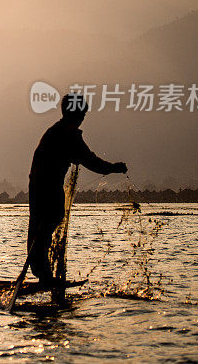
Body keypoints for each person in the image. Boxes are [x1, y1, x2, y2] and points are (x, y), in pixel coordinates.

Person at [27, 93, 127, 285]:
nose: (83, 119)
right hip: (45, 184)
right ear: (77, 114)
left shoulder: (57, 130)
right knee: (47, 222)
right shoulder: (67, 134)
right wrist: (114, 168)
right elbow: (91, 161)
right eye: (82, 114)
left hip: (40, 183)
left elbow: (82, 157)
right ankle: (42, 271)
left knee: (44, 224)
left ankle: (42, 270)